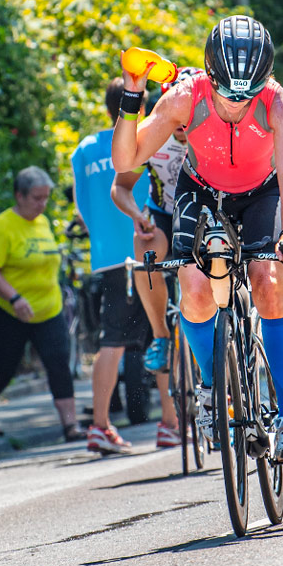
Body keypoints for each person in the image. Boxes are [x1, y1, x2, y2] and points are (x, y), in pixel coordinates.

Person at [112, 15, 283, 464]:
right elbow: (126, 159)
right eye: (227, 93)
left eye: (247, 94)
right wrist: (132, 94)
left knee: (269, 282)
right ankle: (210, 387)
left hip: (261, 194)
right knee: (196, 291)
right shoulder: (185, 96)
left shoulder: (279, 104)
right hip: (200, 191)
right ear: (209, 74)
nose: (236, 104)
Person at [111, 67, 204, 448]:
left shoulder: (214, 131)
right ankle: (162, 336)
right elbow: (120, 187)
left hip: (205, 219)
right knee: (144, 248)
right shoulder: (154, 131)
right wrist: (138, 216)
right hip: (164, 216)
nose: (182, 125)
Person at [0, 166, 86, 442]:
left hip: (48, 308)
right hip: (8, 310)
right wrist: (14, 298)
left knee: (59, 362)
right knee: (5, 366)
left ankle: (70, 426)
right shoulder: (2, 226)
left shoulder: (43, 223)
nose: (42, 204)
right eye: (36, 198)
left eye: (45, 198)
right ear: (19, 196)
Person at [70, 78, 154, 454]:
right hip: (149, 246)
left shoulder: (85, 149)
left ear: (107, 107)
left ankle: (101, 425)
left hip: (107, 256)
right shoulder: (147, 137)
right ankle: (178, 420)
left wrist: (102, 237)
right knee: (170, 329)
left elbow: (81, 208)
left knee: (112, 340)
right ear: (141, 105)